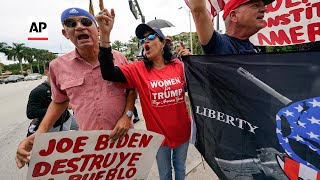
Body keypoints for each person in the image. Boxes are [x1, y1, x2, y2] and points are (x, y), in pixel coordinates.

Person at [15, 7, 136, 169]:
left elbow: (131, 89)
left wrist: (127, 116)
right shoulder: (57, 67)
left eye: (85, 22)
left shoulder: (118, 58)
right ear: (65, 33)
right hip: (90, 144)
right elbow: (59, 102)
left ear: (98, 29)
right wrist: (40, 134)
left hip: (125, 138)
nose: (79, 26)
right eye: (71, 23)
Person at [96, 8, 191, 180]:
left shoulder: (178, 65)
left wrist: (192, 62)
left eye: (151, 37)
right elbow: (108, 73)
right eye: (142, 39)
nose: (145, 41)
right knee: (165, 174)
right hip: (158, 138)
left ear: (162, 43)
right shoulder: (138, 70)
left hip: (183, 132)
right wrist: (105, 36)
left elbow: (193, 87)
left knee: (180, 169)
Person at [189, 0, 274, 55]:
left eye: (263, 5)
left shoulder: (258, 49)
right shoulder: (218, 44)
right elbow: (198, 10)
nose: (264, 9)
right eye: (255, 5)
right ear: (233, 16)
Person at [26, 62, 74, 136]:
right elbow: (31, 113)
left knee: (87, 128)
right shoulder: (38, 91)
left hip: (68, 118)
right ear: (46, 72)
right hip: (54, 125)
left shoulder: (64, 86)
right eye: (55, 69)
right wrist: (58, 108)